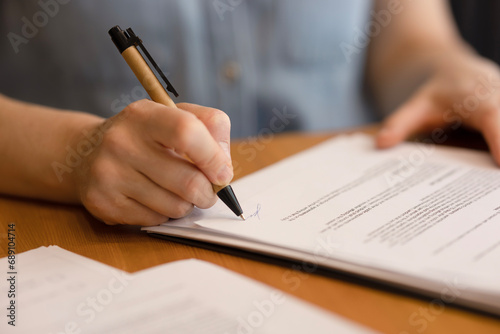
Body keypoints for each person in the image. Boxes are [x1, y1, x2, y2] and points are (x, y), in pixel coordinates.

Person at [1, 0, 500, 226]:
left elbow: (408, 34)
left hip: (350, 189)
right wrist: (76, 151)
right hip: (90, 231)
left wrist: (451, 68)